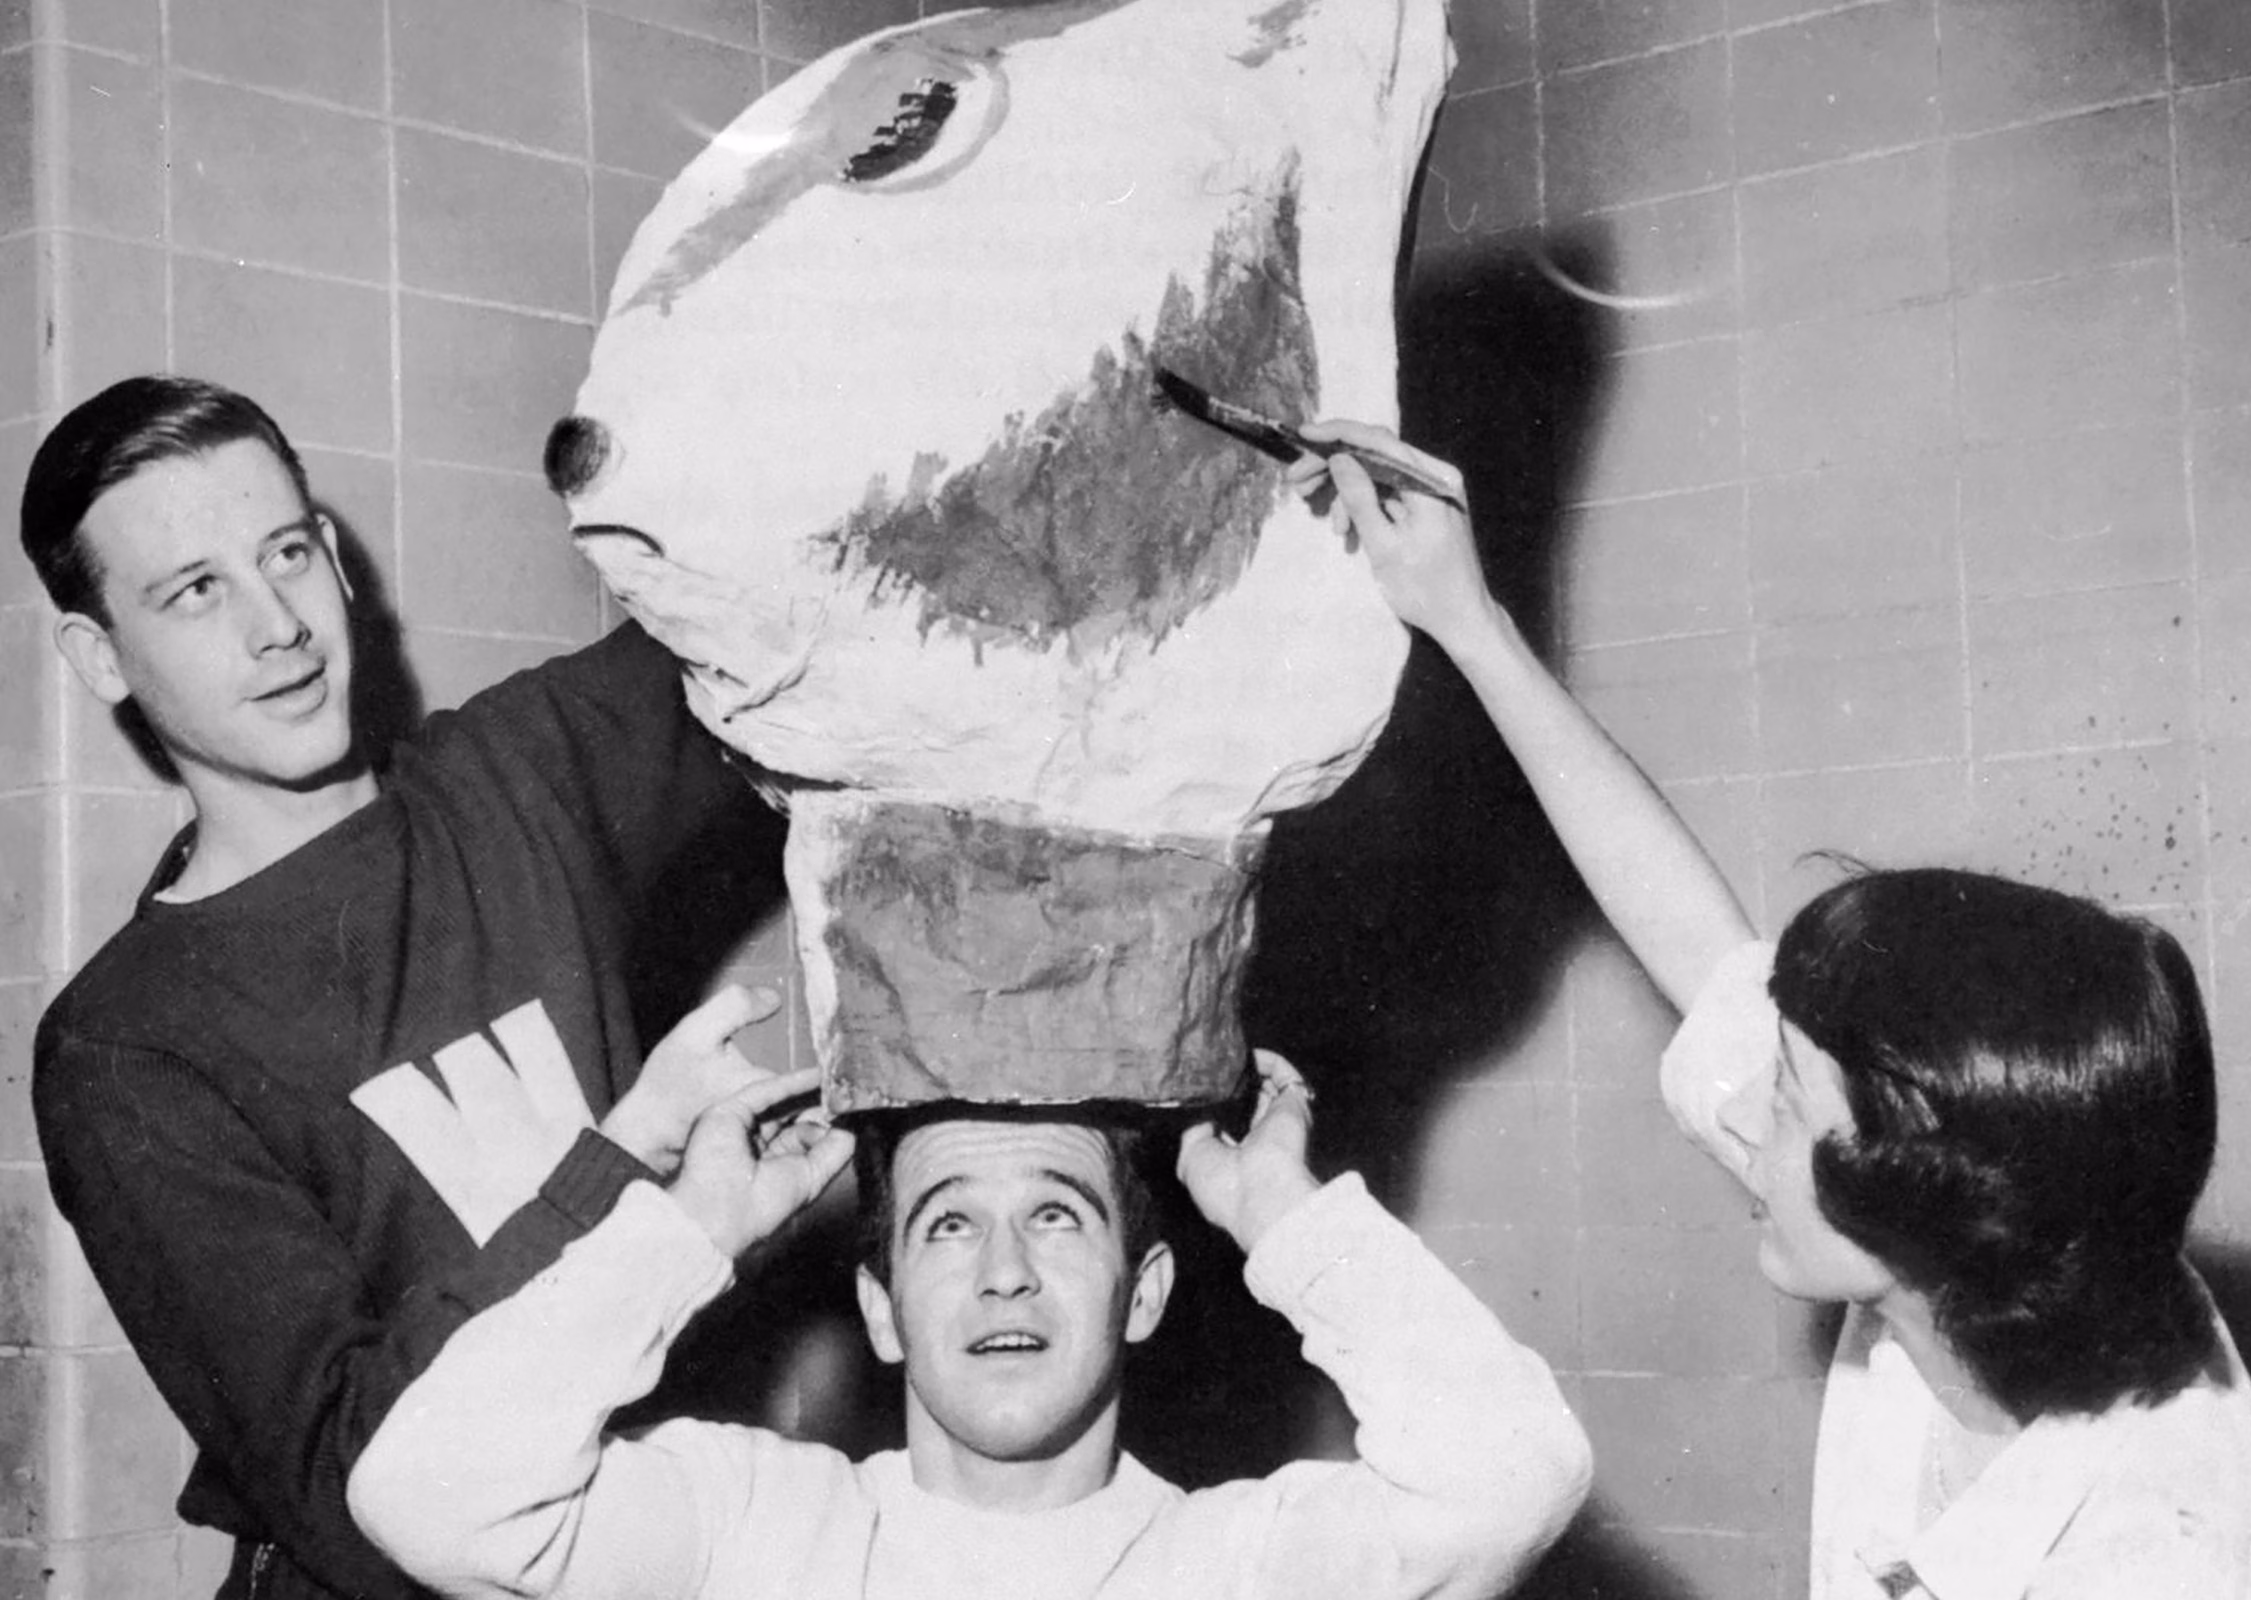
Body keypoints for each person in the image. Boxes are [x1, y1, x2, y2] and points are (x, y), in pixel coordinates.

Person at [1289, 422, 2251, 1598]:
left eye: (1784, 1099)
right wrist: (1469, 617)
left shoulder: (2171, 1560)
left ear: (1917, 1198)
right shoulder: (1999, 1241)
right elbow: (1701, 951)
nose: (1745, 1113)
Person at [23, 375, 792, 1600]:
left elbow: (786, 600)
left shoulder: (518, 776)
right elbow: (354, 1487)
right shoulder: (129, 1046)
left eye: (285, 553)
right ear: (101, 656)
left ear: (333, 557)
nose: (277, 625)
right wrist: (628, 1187)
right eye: (196, 590)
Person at [344, 1052, 1594, 1599]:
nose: (1004, 1272)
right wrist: (691, 1229)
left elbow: (1516, 1473)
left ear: (1144, 1290)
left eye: (1056, 1215)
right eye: (948, 1224)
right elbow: (427, 1495)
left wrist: (1284, 1212)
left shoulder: (1238, 1565)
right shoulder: (755, 1528)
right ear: (881, 1308)